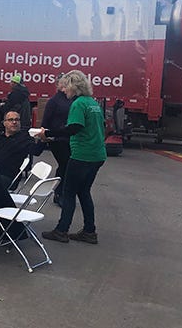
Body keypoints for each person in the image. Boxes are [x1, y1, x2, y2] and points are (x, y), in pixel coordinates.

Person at [39, 70, 107, 245]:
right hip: (97, 154)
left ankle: (62, 230)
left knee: (68, 192)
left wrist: (49, 133)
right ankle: (89, 231)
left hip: (82, 155)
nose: (63, 90)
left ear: (72, 87)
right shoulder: (93, 103)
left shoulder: (78, 104)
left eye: (65, 86)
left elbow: (74, 127)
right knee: (84, 192)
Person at [0, 111, 36, 189]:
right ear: (4, 123)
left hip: (8, 177)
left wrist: (43, 139)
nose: (14, 122)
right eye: (10, 120)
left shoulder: (24, 139)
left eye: (17, 120)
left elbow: (36, 151)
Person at [40, 74, 72, 204]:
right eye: (61, 83)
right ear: (58, 85)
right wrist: (44, 136)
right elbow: (46, 120)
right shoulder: (54, 101)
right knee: (65, 164)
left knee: (67, 165)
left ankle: (63, 192)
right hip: (57, 139)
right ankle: (59, 193)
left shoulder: (72, 100)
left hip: (69, 137)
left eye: (66, 83)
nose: (63, 86)